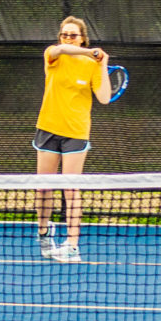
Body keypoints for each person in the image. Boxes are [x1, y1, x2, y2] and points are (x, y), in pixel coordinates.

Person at [32, 15, 115, 263]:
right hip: (48, 128)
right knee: (43, 188)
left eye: (73, 35)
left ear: (82, 38)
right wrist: (91, 52)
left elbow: (104, 98)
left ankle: (72, 246)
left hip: (76, 133)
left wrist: (101, 64)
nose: (67, 38)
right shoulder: (53, 55)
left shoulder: (92, 65)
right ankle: (44, 233)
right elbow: (61, 49)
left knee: (71, 188)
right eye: (64, 34)